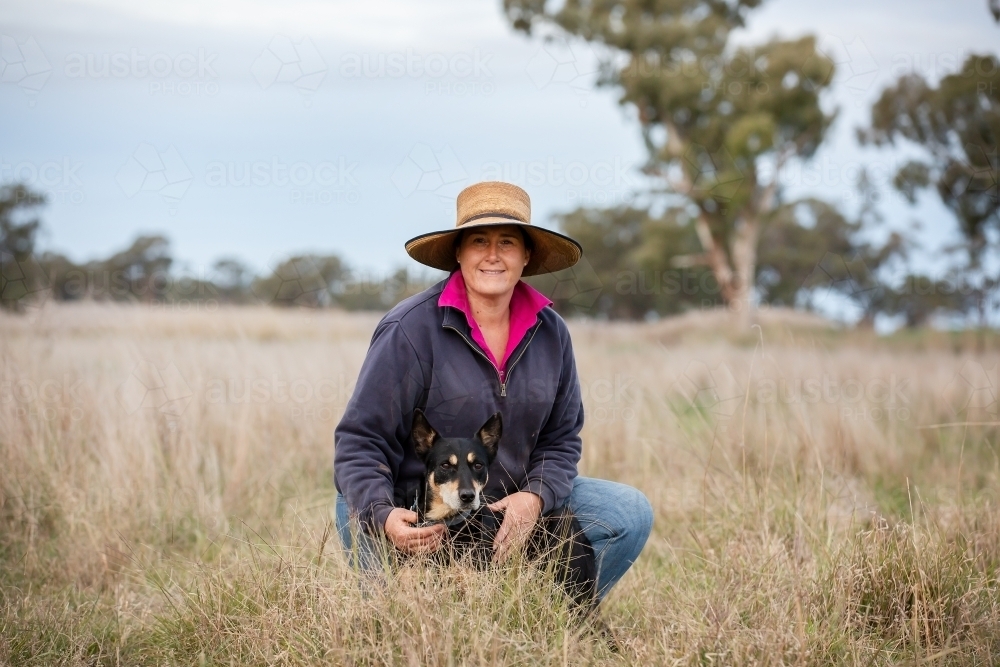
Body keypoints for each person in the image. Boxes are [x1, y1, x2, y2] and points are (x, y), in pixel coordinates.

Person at [333, 181, 652, 598]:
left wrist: (534, 498)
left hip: (503, 503)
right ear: (459, 254)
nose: (493, 255)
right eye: (478, 241)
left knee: (629, 513)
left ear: (527, 256)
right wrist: (382, 514)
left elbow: (561, 440)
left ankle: (540, 621)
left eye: (508, 242)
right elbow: (360, 440)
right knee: (390, 619)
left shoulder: (552, 333)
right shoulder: (409, 329)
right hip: (409, 507)